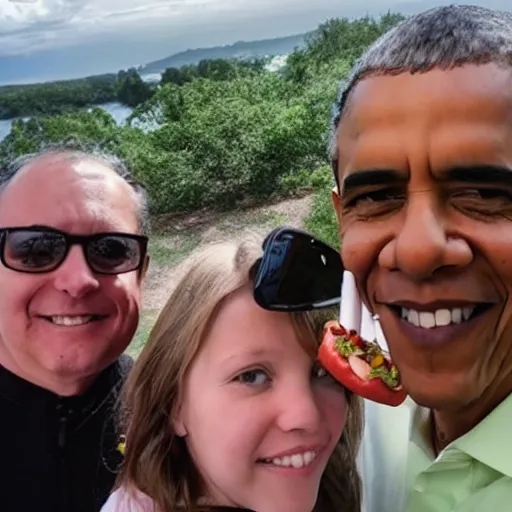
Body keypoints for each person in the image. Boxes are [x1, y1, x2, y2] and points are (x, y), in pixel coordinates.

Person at [328, 4, 512, 512]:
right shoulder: (338, 424)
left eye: (482, 191)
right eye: (377, 197)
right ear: (341, 217)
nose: (416, 250)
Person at [101, 228, 363, 512]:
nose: (307, 416)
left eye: (323, 372)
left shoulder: (341, 485)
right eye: (252, 376)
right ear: (174, 405)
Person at [0, 144, 150, 511]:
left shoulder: (169, 415)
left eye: (112, 249)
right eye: (35, 249)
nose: (78, 280)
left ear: (141, 272)